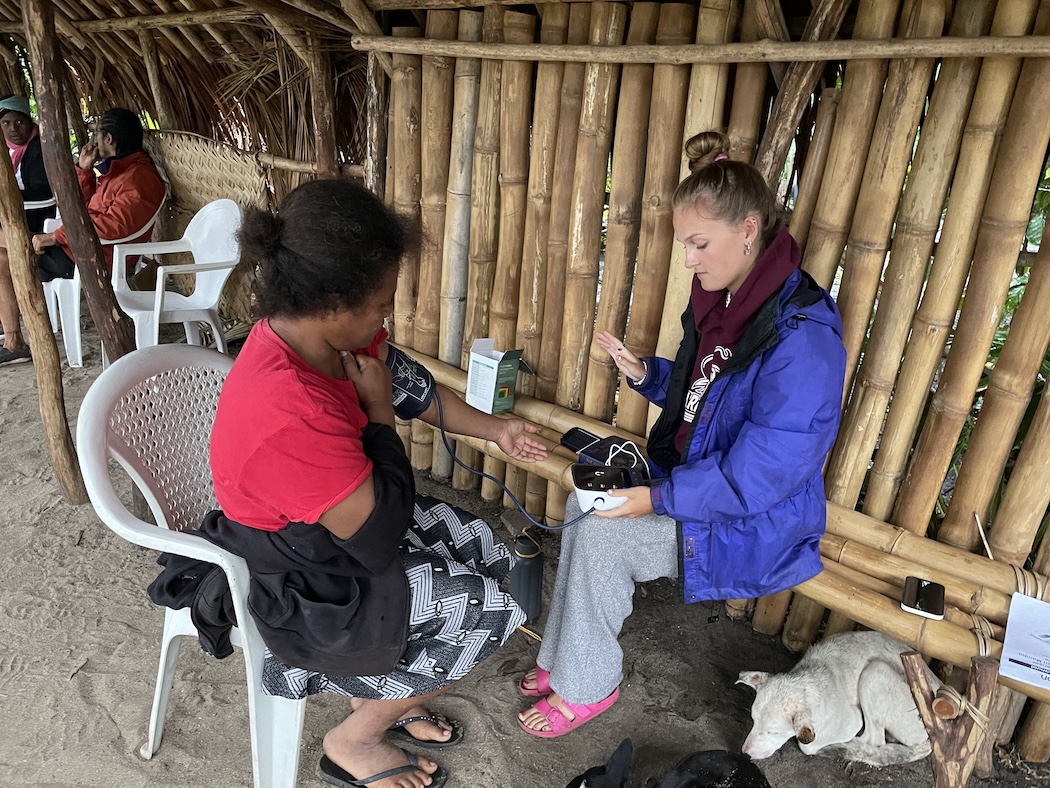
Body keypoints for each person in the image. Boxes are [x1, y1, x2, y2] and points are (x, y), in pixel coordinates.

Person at [201, 178, 548, 788]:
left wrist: (497, 430)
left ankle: (391, 692)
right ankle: (352, 740)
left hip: (339, 527)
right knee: (488, 609)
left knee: (485, 545)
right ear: (334, 301)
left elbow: (409, 387)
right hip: (307, 585)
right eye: (382, 301)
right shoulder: (286, 410)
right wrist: (379, 414)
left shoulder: (329, 340)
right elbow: (377, 537)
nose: (389, 313)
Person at [516, 130, 847, 739]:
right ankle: (562, 661)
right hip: (700, 488)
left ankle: (589, 686)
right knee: (583, 505)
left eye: (698, 245)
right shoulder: (733, 304)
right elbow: (708, 401)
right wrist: (650, 376)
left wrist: (656, 499)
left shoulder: (803, 340)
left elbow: (765, 474)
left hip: (751, 522)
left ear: (748, 230)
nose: (689, 261)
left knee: (602, 540)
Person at [31, 106, 165, 282]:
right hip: (82, 248)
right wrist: (84, 170)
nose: (94, 141)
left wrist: (56, 236)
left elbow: (113, 226)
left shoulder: (139, 179)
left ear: (108, 139)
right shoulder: (119, 171)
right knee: (8, 251)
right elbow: (80, 208)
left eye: (96, 135)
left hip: (99, 258)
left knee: (9, 259)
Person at [0, 94, 55, 365]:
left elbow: (43, 191)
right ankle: (9, 328)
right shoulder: (6, 150)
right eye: (7, 123)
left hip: (39, 223)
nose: (13, 129)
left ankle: (13, 339)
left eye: (19, 122)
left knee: (1, 260)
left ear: (29, 121)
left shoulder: (39, 149)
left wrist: (9, 195)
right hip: (19, 219)